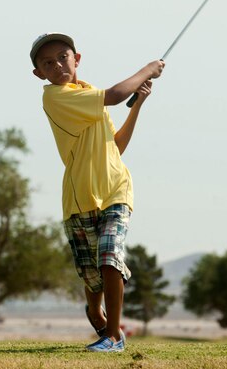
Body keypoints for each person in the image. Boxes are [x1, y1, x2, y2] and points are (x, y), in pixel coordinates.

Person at [30, 32, 164, 353]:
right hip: (79, 198)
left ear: (77, 59)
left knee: (109, 258)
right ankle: (94, 310)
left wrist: (138, 106)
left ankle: (114, 336)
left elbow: (115, 146)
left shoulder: (89, 94)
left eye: (63, 57)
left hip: (116, 190)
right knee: (93, 277)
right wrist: (148, 68)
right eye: (48, 63)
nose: (58, 65)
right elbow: (117, 94)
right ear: (39, 74)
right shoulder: (56, 97)